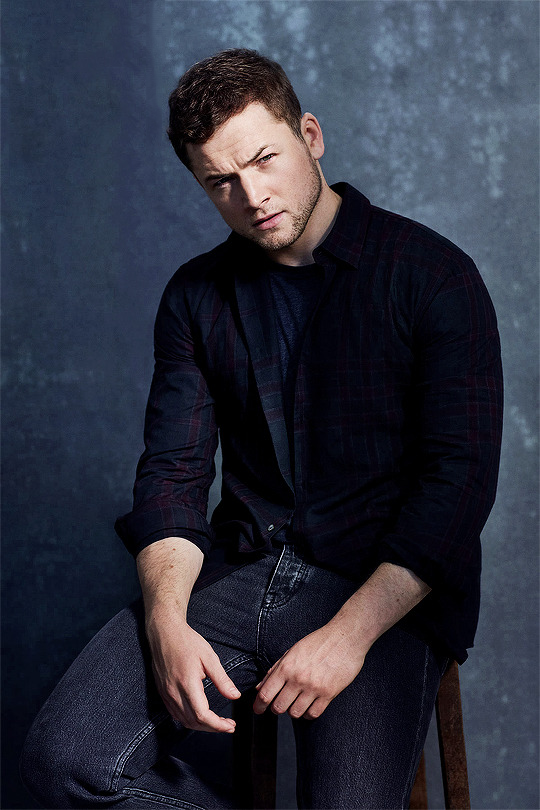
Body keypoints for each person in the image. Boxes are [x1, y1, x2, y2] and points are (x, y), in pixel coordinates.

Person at [20, 48, 503, 809]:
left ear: (310, 135)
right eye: (221, 181)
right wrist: (166, 622)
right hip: (241, 572)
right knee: (65, 760)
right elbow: (172, 476)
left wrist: (347, 638)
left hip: (379, 593)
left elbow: (457, 489)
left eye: (264, 160)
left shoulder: (433, 276)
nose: (252, 196)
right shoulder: (195, 296)